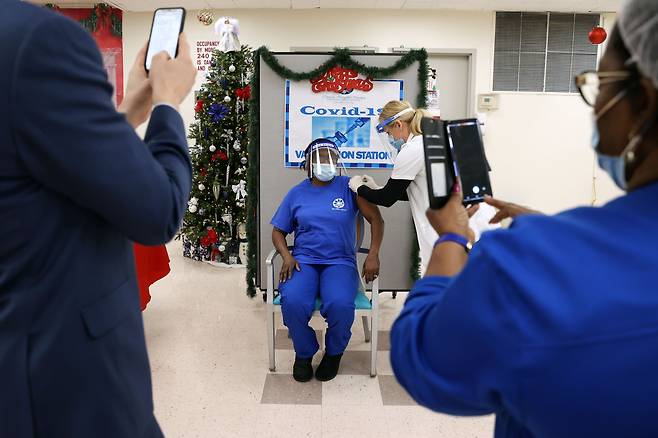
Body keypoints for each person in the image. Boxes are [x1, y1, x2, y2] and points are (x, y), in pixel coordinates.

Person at [390, 1, 658, 436]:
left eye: (599, 84)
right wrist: (546, 228)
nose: (595, 106)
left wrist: (452, 238)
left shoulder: (530, 266)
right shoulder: (548, 251)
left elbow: (424, 359)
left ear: (643, 101)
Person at [0, 2, 196, 437]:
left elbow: (35, 168)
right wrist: (167, 105)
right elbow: (158, 210)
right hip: (61, 380)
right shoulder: (36, 40)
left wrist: (126, 114)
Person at [271, 138, 384, 382]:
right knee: (293, 301)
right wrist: (286, 255)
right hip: (304, 260)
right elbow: (278, 231)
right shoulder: (297, 193)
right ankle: (304, 353)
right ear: (308, 164)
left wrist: (373, 254)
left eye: (331, 158)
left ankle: (334, 353)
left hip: (340, 261)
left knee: (340, 304)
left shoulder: (350, 187)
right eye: (320, 158)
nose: (327, 163)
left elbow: (377, 220)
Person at [348, 100, 498, 275]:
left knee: (455, 279)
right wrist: (377, 187)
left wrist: (359, 188)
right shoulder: (438, 138)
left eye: (389, 133)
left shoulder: (412, 149)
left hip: (454, 226)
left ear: (398, 124)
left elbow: (387, 199)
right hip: (480, 220)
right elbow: (422, 189)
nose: (391, 139)